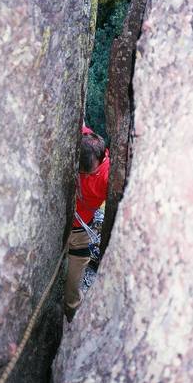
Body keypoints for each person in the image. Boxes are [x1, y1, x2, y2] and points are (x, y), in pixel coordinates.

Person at [64, 124, 110, 322]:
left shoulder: (108, 177)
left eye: (88, 172)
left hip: (80, 233)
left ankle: (72, 316)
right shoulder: (84, 139)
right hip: (63, 224)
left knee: (71, 291)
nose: (84, 175)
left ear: (102, 157)